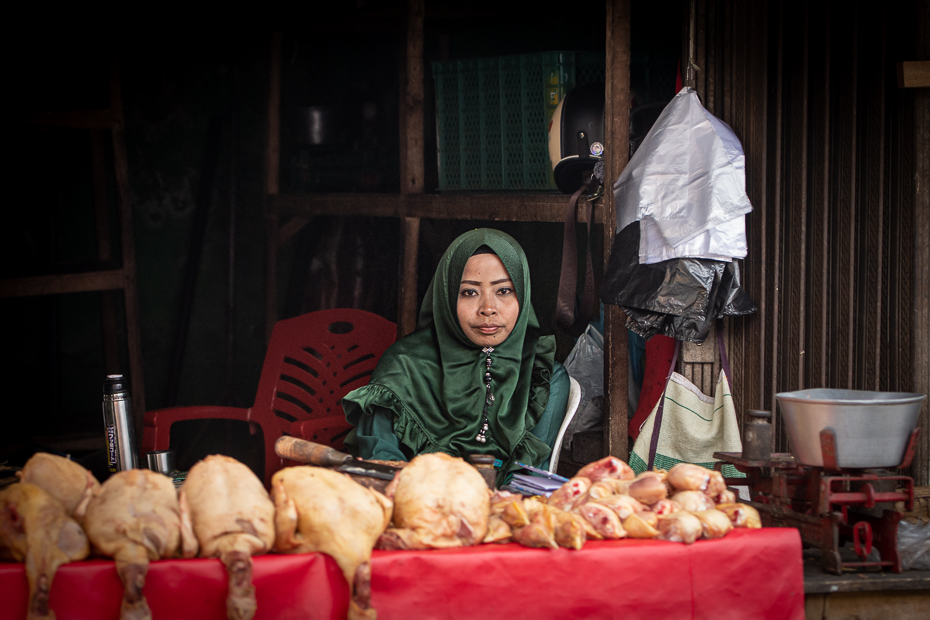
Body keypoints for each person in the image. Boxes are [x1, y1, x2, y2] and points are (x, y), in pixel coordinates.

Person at [342, 228, 570, 485]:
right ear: (447, 297)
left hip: (503, 518)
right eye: (469, 292)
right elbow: (379, 459)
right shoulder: (403, 366)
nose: (488, 309)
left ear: (524, 295)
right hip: (411, 509)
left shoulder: (544, 377)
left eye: (504, 291)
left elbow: (530, 480)